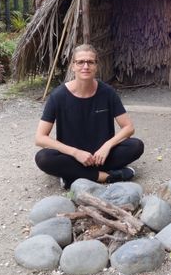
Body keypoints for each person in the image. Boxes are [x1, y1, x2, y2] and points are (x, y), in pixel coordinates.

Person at [34, 43, 144, 189]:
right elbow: (40, 138)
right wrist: (75, 152)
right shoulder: (58, 96)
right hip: (72, 157)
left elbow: (128, 128)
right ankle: (107, 176)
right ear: (73, 66)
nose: (85, 66)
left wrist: (107, 146)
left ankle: (72, 177)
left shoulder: (107, 92)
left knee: (136, 145)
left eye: (90, 62)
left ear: (96, 66)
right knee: (43, 158)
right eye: (80, 62)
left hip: (101, 156)